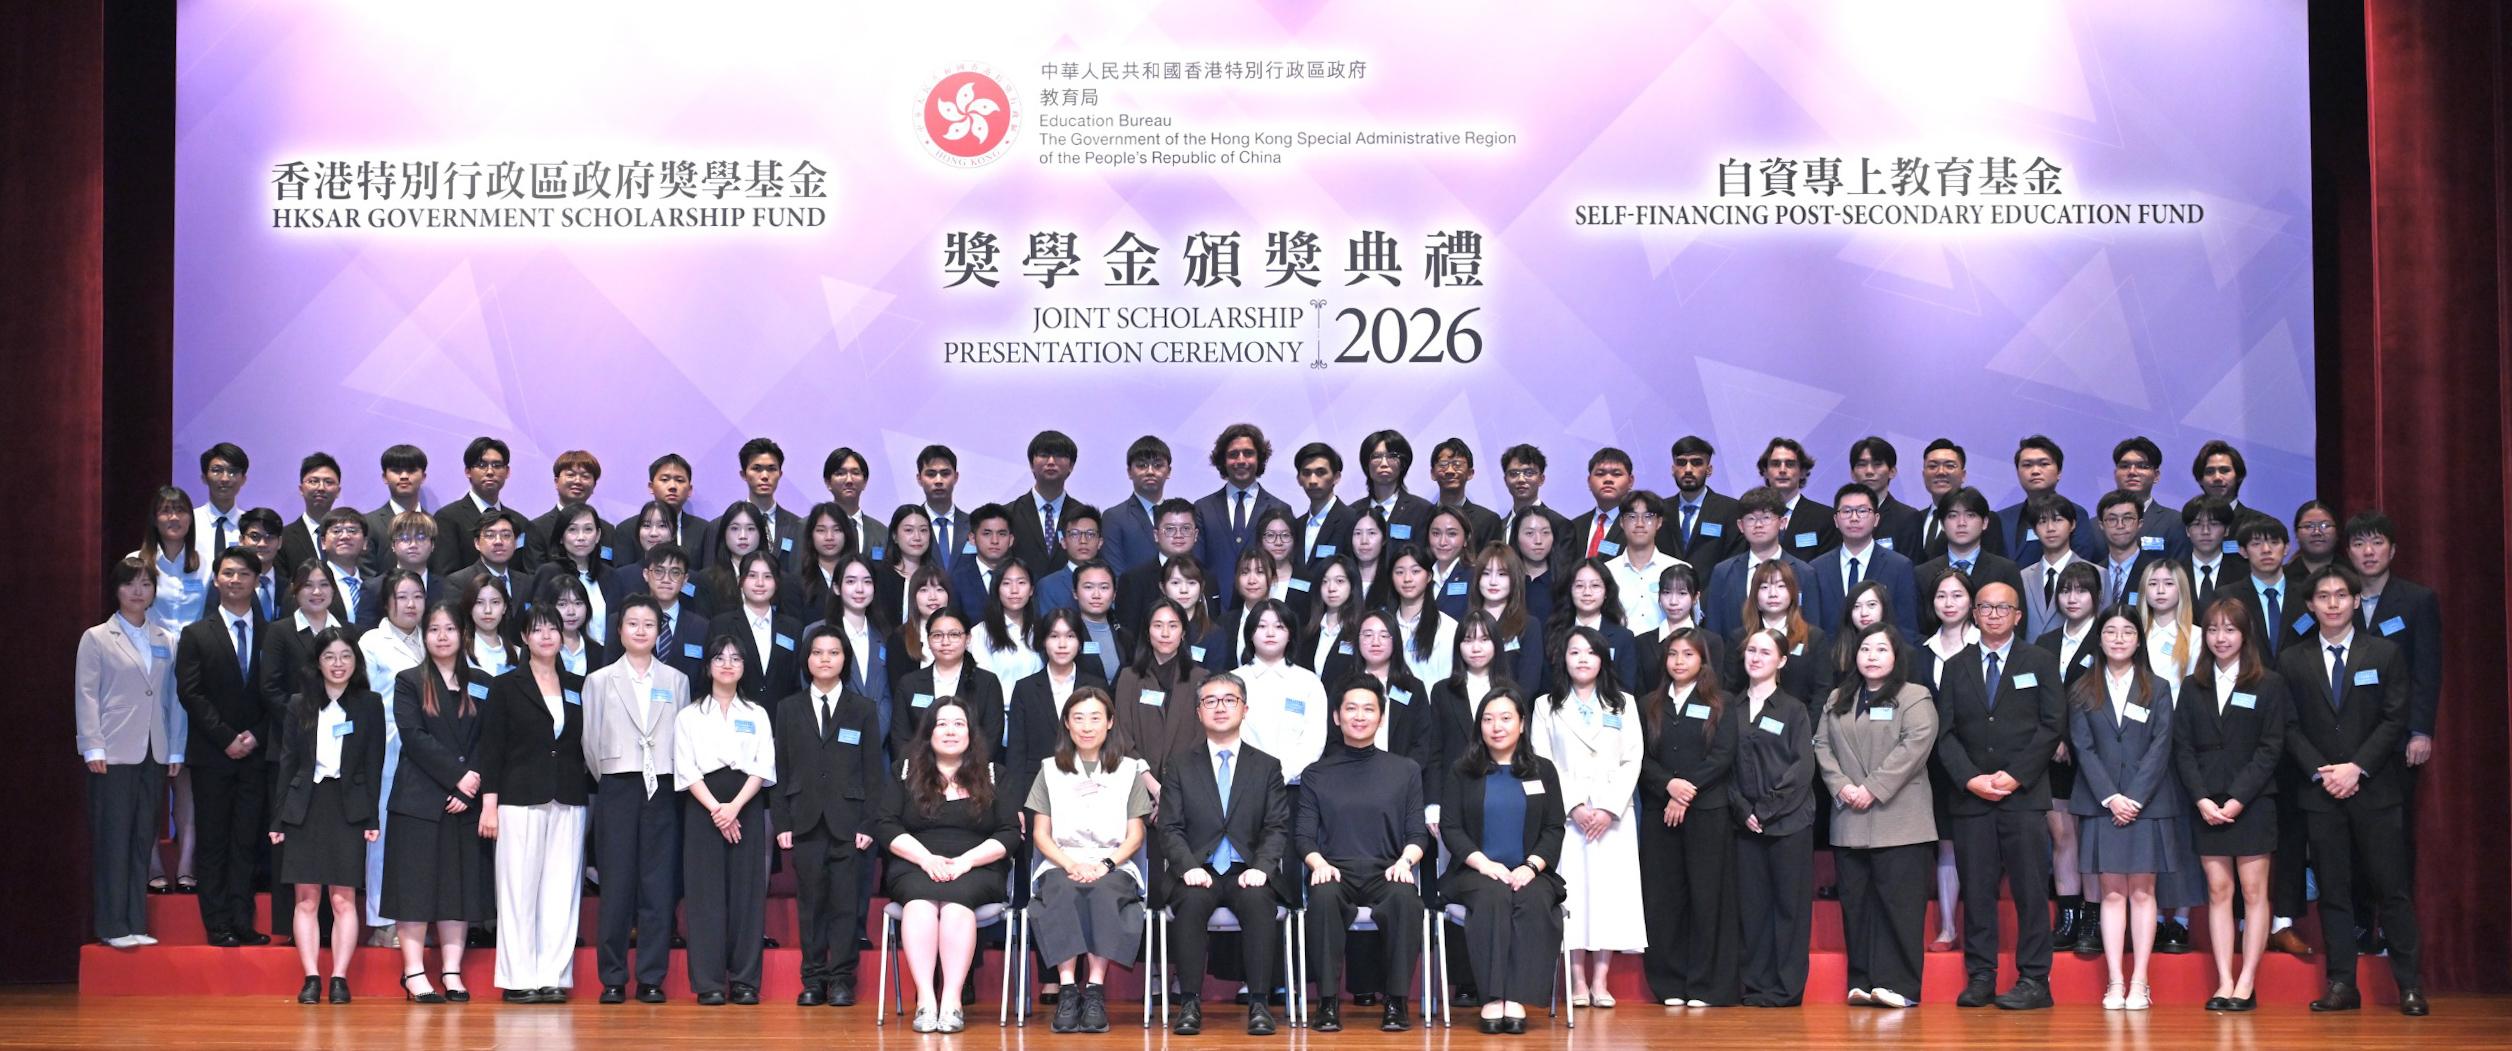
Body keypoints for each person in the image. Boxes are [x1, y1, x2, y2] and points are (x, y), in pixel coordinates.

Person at [2277, 565, 2426, 1016]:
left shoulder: (2383, 653)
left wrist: (2356, 768)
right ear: (2310, 606)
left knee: (2392, 889)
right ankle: (2342, 984)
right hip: (2321, 794)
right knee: (2335, 892)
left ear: (2356, 601)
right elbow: (2288, 726)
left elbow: (2394, 718)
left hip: (2375, 790)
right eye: (2324, 597)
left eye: (2342, 595)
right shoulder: (2291, 660)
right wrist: (2323, 773)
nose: (2334, 603)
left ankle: (2410, 987)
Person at [1934, 580, 2065, 1010]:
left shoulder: (2041, 661)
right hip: (1972, 797)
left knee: (2029, 890)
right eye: (1985, 607)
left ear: (2018, 615)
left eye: (2002, 607)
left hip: (2023, 796)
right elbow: (1945, 733)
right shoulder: (1956, 666)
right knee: (1977, 889)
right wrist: (1970, 778)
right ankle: (1981, 976)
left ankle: (2034, 981)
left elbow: (2051, 725)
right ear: (1974, 613)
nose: (1993, 614)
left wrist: (2016, 776)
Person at [1155, 673, 1291, 1038]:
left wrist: (1263, 868)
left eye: (1229, 700)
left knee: (1260, 901)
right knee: (1192, 902)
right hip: (1196, 870)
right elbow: (1169, 827)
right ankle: (1189, 1003)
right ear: (1198, 712)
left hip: (1247, 870)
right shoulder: (1180, 765)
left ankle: (1260, 1003)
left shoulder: (1267, 766)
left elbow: (1276, 826)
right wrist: (1186, 868)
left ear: (1245, 709)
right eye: (1210, 701)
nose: (1220, 707)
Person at [2174, 594, 2292, 1012]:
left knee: (2254, 891)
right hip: (2206, 803)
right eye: (2213, 629)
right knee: (2219, 890)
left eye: (2229, 629)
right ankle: (2224, 980)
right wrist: (2202, 798)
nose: (2220, 637)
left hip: (2253, 802)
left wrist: (2239, 798)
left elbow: (2271, 747)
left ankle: (2247, 981)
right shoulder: (2193, 685)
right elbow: (2182, 748)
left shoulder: (2269, 683)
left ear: (2245, 634)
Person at [1813, 623, 1939, 1009]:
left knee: (1899, 907)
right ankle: (1863, 981)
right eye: (1865, 649)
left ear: (1896, 656)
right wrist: (1842, 786)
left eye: (1881, 649)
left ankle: (1899, 985)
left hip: (1899, 819)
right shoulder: (1839, 697)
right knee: (1858, 905)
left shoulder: (1914, 696)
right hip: (1850, 817)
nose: (1871, 656)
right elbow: (1821, 744)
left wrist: (1872, 788)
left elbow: (1915, 746)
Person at [877, 698, 1020, 1034]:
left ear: (972, 732)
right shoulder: (905, 770)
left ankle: (952, 1000)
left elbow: (1009, 833)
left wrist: (966, 862)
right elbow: (886, 825)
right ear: (929, 732)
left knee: (957, 905)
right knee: (920, 904)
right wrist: (926, 859)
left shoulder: (993, 774)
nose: (951, 731)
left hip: (976, 867)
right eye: (942, 723)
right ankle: (926, 1000)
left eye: (959, 723)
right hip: (914, 863)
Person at [1296, 678, 1432, 1033]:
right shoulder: (1316, 774)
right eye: (1351, 708)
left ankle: (1397, 1001)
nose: (1360, 716)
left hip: (1387, 871)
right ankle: (1326, 1003)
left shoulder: (1405, 770)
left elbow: (1418, 833)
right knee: (1323, 899)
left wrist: (1406, 862)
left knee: (1406, 901)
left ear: (1381, 718)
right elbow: (1304, 836)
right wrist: (1318, 863)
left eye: (1369, 709)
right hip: (1334, 871)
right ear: (1337, 717)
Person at [2067, 606, 2183, 1011]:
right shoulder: (2083, 689)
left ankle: (2140, 981)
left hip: (2146, 804)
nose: (2118, 638)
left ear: (2139, 640)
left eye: (2127, 631)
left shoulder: (2159, 687)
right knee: (2111, 893)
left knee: (2143, 892)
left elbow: (2161, 745)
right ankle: (2115, 982)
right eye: (2110, 631)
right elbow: (2082, 747)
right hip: (2102, 805)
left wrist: (2133, 796)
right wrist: (2110, 797)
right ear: (2099, 639)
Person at [476, 605, 591, 1003]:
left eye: (552, 629)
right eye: (536, 630)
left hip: (569, 796)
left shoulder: (578, 684)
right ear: (523, 637)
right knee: (518, 888)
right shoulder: (506, 686)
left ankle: (553, 975)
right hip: (518, 796)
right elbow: (491, 749)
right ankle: (518, 976)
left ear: (563, 636)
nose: (546, 636)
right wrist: (489, 805)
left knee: (562, 888)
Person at [579, 594, 688, 1004]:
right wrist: (615, 773)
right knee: (617, 883)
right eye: (632, 624)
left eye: (648, 624)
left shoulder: (676, 680)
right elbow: (590, 743)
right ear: (620, 629)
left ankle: (651, 977)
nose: (640, 631)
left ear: (659, 631)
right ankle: (612, 977)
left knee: (657, 885)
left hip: (662, 787)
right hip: (618, 785)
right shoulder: (600, 680)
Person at [267, 629, 385, 1005]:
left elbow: (374, 764)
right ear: (317, 662)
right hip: (306, 804)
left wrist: (371, 818)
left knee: (343, 899)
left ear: (356, 661)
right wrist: (277, 820)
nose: (338, 664)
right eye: (330, 656)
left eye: (346, 656)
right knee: (305, 898)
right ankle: (311, 976)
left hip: (347, 806)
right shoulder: (299, 704)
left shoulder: (369, 704)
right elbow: (287, 764)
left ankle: (339, 977)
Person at [1025, 688, 1151, 1033]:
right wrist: (1069, 864)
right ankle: (1068, 990)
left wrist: (1105, 865)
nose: (1087, 726)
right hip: (1062, 860)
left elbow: (1136, 835)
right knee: (1062, 891)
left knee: (1103, 891)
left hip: (1113, 862)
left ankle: (1094, 990)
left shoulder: (1129, 770)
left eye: (1096, 717)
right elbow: (1040, 834)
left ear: (1110, 723)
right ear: (1066, 723)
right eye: (1078, 718)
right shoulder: (1049, 770)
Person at [1531, 626, 1645, 1006]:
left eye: (1590, 652)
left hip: (1613, 816)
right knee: (1574, 894)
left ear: (1602, 659)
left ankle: (1601, 981)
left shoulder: (1624, 703)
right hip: (1568, 816)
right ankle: (1576, 981)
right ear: (1563, 658)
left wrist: (1608, 807)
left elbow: (1634, 758)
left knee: (1610, 895)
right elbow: (1541, 761)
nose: (1582, 658)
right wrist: (1576, 806)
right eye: (1574, 651)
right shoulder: (1546, 704)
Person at [382, 601, 490, 1005]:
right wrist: (457, 776)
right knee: (414, 888)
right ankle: (413, 973)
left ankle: (452, 971)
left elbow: (488, 739)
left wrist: (469, 786)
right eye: (434, 630)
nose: (442, 637)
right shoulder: (409, 680)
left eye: (449, 629)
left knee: (457, 889)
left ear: (463, 634)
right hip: (419, 799)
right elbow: (414, 737)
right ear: (424, 637)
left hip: (466, 801)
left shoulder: (481, 682)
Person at [1442, 686, 1565, 1033]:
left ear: (1522, 723)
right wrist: (1485, 864)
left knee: (1535, 898)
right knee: (1493, 896)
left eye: (1506, 718)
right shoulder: (1462, 771)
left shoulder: (1543, 770)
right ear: (1479, 725)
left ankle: (1517, 997)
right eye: (1488, 718)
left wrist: (1530, 867)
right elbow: (1451, 828)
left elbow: (1554, 828)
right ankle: (1493, 997)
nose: (1497, 726)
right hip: (1476, 870)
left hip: (1530, 871)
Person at [78, 556, 185, 949]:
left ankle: (135, 921)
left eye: (145, 584)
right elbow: (86, 695)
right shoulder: (97, 637)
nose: (138, 591)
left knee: (143, 838)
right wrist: (92, 744)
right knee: (113, 838)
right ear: (117, 589)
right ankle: (111, 924)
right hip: (114, 750)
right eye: (130, 584)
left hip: (154, 751)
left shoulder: (164, 639)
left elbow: (173, 700)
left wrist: (175, 749)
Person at [773, 626, 882, 1008]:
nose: (824, 659)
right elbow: (780, 769)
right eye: (817, 652)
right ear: (806, 660)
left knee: (845, 904)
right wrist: (782, 823)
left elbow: (874, 772)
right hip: (803, 821)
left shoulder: (863, 708)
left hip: (850, 823)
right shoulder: (788, 708)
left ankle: (841, 980)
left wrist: (869, 823)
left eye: (833, 652)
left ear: (844, 659)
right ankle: (814, 978)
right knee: (811, 903)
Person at [1636, 627, 1740, 1007]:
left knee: (1706, 897)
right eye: (1673, 654)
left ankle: (1705, 984)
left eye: (1688, 654)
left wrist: (1685, 790)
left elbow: (1723, 755)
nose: (1679, 661)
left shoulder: (1721, 702)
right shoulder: (1648, 703)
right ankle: (1669, 983)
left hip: (1707, 813)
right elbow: (1639, 757)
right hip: (1658, 812)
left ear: (1703, 661)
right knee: (1665, 898)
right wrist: (1669, 787)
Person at [674, 634, 778, 1007]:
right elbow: (685, 770)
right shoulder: (689, 715)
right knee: (705, 896)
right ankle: (709, 982)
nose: (728, 664)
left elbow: (764, 766)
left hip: (746, 803)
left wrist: (733, 807)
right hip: (703, 806)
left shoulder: (757, 713)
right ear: (708, 666)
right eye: (720, 658)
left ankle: (746, 980)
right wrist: (718, 810)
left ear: (744, 667)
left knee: (747, 894)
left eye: (735, 658)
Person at [177, 545, 272, 948]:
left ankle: (242, 919)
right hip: (213, 754)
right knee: (214, 839)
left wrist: (255, 735)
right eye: (228, 573)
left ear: (256, 581)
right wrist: (227, 738)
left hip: (257, 752)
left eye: (244, 574)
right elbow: (192, 694)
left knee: (246, 839)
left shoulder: (275, 633)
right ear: (216, 580)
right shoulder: (196, 634)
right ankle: (217, 923)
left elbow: (280, 693)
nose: (235, 580)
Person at [1728, 629, 1817, 1007]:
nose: (1756, 657)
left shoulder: (1794, 709)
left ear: (1781, 661)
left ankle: (1786, 988)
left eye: (1766, 652)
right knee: (1752, 908)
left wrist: (1764, 810)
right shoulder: (1729, 708)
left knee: (1789, 909)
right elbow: (1722, 767)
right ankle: (1756, 985)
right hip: (1744, 825)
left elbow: (1801, 767)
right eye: (1751, 650)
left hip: (1789, 824)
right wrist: (1743, 810)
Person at [2032, 561, 2102, 954]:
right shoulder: (2045, 642)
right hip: (2052, 754)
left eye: (2081, 590)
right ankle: (2069, 915)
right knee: (2062, 835)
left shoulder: (2106, 637)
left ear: (2095, 596)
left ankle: (2093, 919)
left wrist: (2072, 739)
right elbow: (2041, 699)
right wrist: (2054, 738)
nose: (2072, 598)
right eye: (2065, 590)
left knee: (2089, 836)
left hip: (2093, 752)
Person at [1913, 568, 1977, 953]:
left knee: (1978, 846)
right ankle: (1949, 927)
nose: (1949, 603)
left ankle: (1978, 928)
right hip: (1931, 764)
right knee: (1947, 845)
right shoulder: (1921, 651)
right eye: (1941, 596)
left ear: (1971, 601)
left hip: (1976, 762)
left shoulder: (1986, 646)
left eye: (1956, 595)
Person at [1234, 599, 1330, 784]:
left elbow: (1313, 742)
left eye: (1279, 627)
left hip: (1295, 786)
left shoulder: (1309, 682)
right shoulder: (1233, 681)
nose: (1270, 633)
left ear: (1290, 634)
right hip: (1243, 783)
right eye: (1261, 626)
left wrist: (1282, 775)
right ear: (1250, 634)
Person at [1804, 483, 1919, 636]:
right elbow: (1813, 628)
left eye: (1862, 511)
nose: (1854, 518)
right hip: (1829, 657)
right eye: (1846, 511)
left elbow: (1907, 628)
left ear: (1876, 519)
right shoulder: (1817, 568)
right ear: (1836, 520)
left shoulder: (1899, 566)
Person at [1196, 423, 1296, 596]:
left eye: (1248, 453)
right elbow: (1197, 567)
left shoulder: (1280, 509)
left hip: (1265, 613)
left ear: (1259, 458)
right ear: (1223, 461)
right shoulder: (1203, 509)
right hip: (1214, 614)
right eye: (1233, 454)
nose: (1241, 460)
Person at [891, 609, 1007, 757]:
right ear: (928, 640)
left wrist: (961, 772)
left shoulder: (987, 683)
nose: (945, 642)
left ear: (968, 638)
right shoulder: (909, 684)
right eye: (937, 635)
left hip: (973, 774)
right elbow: (901, 738)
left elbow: (991, 737)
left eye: (954, 635)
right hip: (920, 774)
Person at [1703, 487, 1815, 638]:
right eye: (1751, 518)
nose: (1758, 525)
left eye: (1766, 517)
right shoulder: (1723, 572)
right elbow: (1714, 631)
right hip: (1735, 657)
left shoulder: (1804, 572)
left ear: (1782, 522)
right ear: (1740, 526)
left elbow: (1812, 630)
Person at [1113, 598, 1212, 770]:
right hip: (1138, 781)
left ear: (1183, 633)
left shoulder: (1201, 678)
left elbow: (1202, 736)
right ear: (1147, 631)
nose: (1165, 633)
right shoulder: (1129, 677)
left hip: (1187, 780)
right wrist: (1147, 779)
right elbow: (1122, 735)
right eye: (1158, 626)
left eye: (1173, 626)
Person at [1545, 557, 1639, 693]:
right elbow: (1547, 685)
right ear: (1570, 591)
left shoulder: (1623, 637)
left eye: (1595, 586)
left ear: (1606, 591)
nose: (1587, 593)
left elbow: (1626, 688)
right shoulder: (1554, 632)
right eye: (1579, 586)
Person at [430, 437, 516, 576]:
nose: (489, 472)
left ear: (507, 472)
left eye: (497, 465)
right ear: (468, 471)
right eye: (481, 465)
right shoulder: (447, 518)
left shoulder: (518, 521)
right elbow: (445, 575)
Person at [1660, 436, 1740, 567]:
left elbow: (1734, 561)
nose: (1688, 470)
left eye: (1696, 463)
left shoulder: (1731, 510)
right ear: (1673, 469)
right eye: (1681, 463)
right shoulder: (1659, 510)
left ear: (1709, 470)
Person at [1756, 438, 1838, 563]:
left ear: (1803, 472)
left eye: (1790, 464)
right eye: (1775, 464)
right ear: (1765, 472)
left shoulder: (1824, 518)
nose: (1782, 470)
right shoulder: (1750, 516)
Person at [1103, 436, 1173, 574]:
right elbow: (1114, 573)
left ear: (1169, 471)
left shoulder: (1180, 516)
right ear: (1129, 472)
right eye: (1142, 465)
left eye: (1158, 465)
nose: (1150, 472)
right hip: (1132, 594)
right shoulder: (1114, 517)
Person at [1355, 429, 1436, 545]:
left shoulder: (1422, 511)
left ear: (1403, 463)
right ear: (1366, 464)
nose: (1384, 463)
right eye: (1376, 456)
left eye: (1391, 456)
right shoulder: (1353, 512)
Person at [876, 505, 936, 623]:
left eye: (923, 530)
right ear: (894, 536)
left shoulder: (936, 577)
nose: (917, 537)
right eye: (909, 530)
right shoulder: (878, 576)